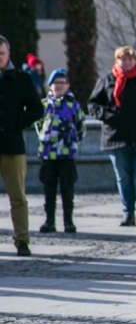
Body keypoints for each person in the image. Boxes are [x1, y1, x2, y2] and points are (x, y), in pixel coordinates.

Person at [88, 46, 136, 228]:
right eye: (123, 59)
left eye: (130, 59)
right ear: (117, 61)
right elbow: (92, 104)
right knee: (124, 177)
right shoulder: (107, 80)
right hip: (117, 136)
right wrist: (105, 114)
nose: (127, 62)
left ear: (135, 61)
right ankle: (128, 213)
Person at [0, 36, 44, 256]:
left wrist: (17, 123)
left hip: (12, 145)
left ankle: (22, 240)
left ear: (8, 55)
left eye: (1, 54)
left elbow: (37, 108)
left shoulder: (21, 79)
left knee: (17, 197)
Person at [35, 69, 85, 234]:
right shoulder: (43, 105)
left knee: (67, 188)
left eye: (62, 83)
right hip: (48, 154)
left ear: (68, 85)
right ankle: (49, 221)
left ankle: (68, 221)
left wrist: (71, 142)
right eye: (56, 83)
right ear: (50, 86)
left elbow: (81, 127)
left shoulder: (73, 105)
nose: (59, 86)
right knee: (49, 189)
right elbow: (38, 125)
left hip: (67, 154)